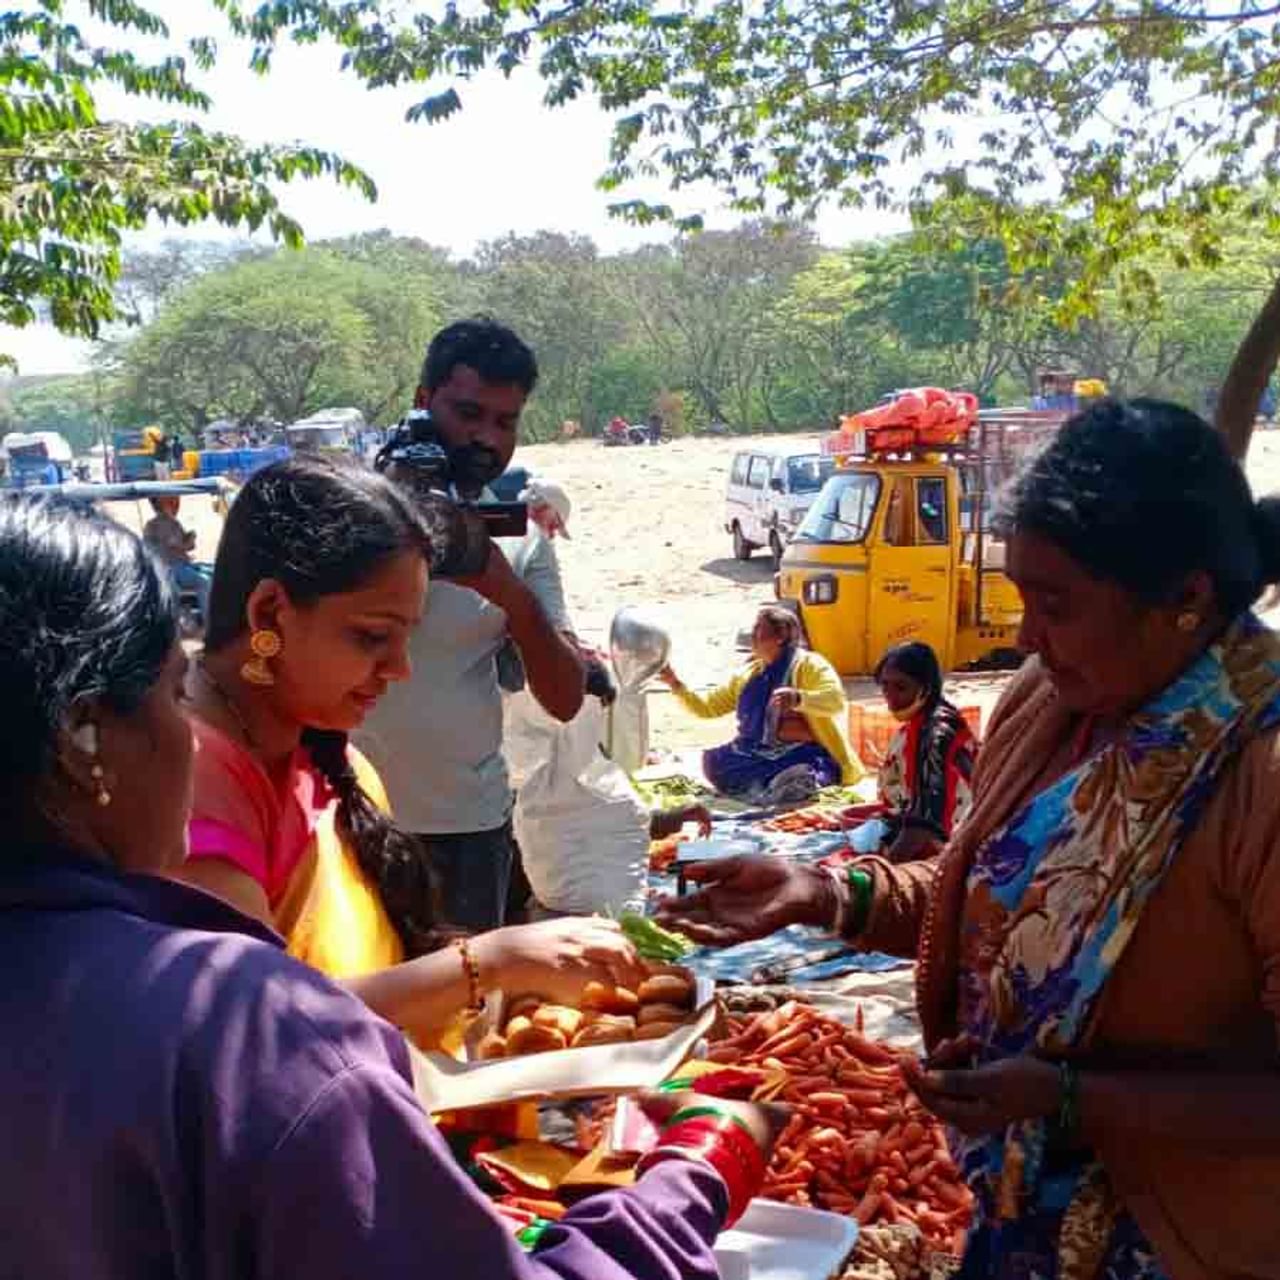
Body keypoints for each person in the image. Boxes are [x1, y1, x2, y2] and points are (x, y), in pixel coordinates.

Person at [0, 489, 785, 1280]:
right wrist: (695, 1173)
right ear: (81, 738)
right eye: (172, 693)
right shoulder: (236, 1028)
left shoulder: (330, 769)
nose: (401, 670)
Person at [660, 398, 1280, 1280]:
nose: (1026, 636)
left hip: (1184, 1241)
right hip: (1014, 1212)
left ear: (1185, 597)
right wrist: (824, 893)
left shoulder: (1260, 767)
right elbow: (985, 886)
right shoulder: (1048, 699)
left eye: (1056, 605)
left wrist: (1072, 1097)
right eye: (1023, 596)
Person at [178, 454, 634, 1048]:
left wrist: (518, 986)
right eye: (372, 637)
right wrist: (488, 963)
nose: (399, 669)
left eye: (406, 637)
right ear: (269, 612)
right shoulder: (192, 777)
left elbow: (371, 981)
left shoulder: (330, 755)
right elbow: (255, 1032)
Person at [357, 319, 585, 932]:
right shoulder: (347, 511)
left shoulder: (520, 533)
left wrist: (499, 583)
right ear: (422, 404)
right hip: (344, 819)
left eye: (505, 422)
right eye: (468, 413)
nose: (486, 438)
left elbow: (565, 697)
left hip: (467, 833)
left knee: (466, 1015)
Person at [659, 605, 861, 802]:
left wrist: (799, 698)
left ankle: (791, 784)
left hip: (799, 753)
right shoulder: (749, 674)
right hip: (754, 753)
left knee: (806, 772)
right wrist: (675, 684)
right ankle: (774, 787)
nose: (753, 635)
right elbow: (708, 707)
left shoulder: (810, 665)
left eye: (759, 629)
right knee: (716, 761)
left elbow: (835, 701)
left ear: (781, 636)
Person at [867, 641, 977, 863]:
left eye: (901, 687)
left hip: (951, 845)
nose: (889, 695)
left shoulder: (936, 734)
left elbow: (925, 823)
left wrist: (885, 870)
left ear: (926, 687)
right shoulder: (925, 720)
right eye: (885, 685)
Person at [142, 495, 211, 620]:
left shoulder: (173, 522)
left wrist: (190, 538)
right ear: (164, 502)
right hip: (171, 568)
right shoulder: (157, 524)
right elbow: (176, 544)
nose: (177, 503)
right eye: (173, 500)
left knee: (212, 571)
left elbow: (188, 546)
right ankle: (210, 622)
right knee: (204, 582)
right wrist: (187, 542)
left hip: (182, 564)